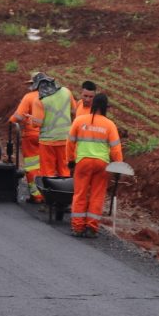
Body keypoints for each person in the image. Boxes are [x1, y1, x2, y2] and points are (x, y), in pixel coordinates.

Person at [67, 92, 123, 238]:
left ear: (92, 105)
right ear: (105, 107)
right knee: (97, 195)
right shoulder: (109, 125)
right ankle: (91, 227)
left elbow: (70, 142)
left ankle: (78, 227)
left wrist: (70, 160)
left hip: (83, 162)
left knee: (80, 194)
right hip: (101, 164)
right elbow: (115, 148)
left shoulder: (79, 121)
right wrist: (118, 165)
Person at [27, 73, 76, 182]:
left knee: (48, 172)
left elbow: (37, 123)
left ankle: (50, 195)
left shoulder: (39, 100)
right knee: (64, 170)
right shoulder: (66, 92)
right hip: (65, 139)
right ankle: (64, 194)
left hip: (47, 142)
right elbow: (74, 111)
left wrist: (31, 118)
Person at [10, 74, 45, 204]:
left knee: (32, 166)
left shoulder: (29, 97)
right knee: (47, 166)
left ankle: (36, 196)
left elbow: (18, 116)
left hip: (31, 136)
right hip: (50, 136)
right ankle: (49, 195)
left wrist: (11, 121)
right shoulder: (52, 97)